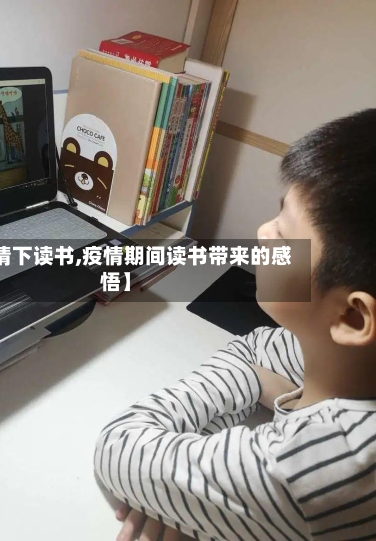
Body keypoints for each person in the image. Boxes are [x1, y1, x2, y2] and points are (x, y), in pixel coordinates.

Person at [94, 108, 376, 541]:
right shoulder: (351, 362)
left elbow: (117, 449)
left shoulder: (318, 468)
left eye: (284, 235)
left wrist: (181, 492)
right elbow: (256, 348)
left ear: (353, 318)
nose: (263, 233)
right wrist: (193, 496)